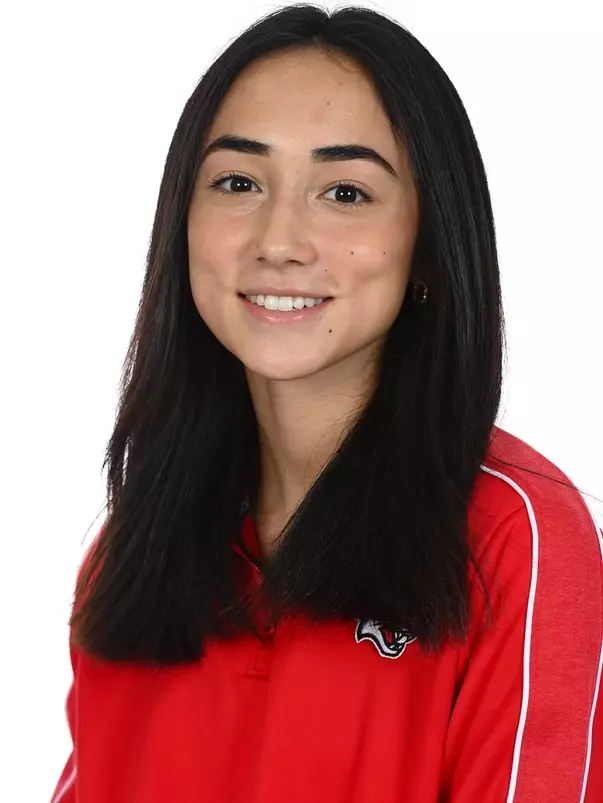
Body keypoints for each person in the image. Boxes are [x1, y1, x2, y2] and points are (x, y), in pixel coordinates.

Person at [50, 4, 603, 802]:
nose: (279, 239)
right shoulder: (127, 555)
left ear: (427, 245)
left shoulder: (512, 535)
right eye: (237, 182)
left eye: (344, 191)